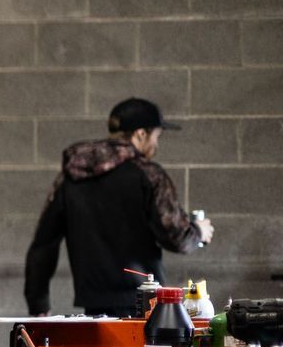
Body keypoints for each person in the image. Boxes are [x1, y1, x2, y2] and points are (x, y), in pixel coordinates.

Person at [24, 97, 213, 317]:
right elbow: (177, 237)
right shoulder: (149, 175)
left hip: (93, 309)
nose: (156, 144)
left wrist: (38, 303)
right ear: (140, 134)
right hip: (144, 303)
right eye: (156, 136)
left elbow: (43, 244)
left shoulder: (71, 177)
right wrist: (198, 231)